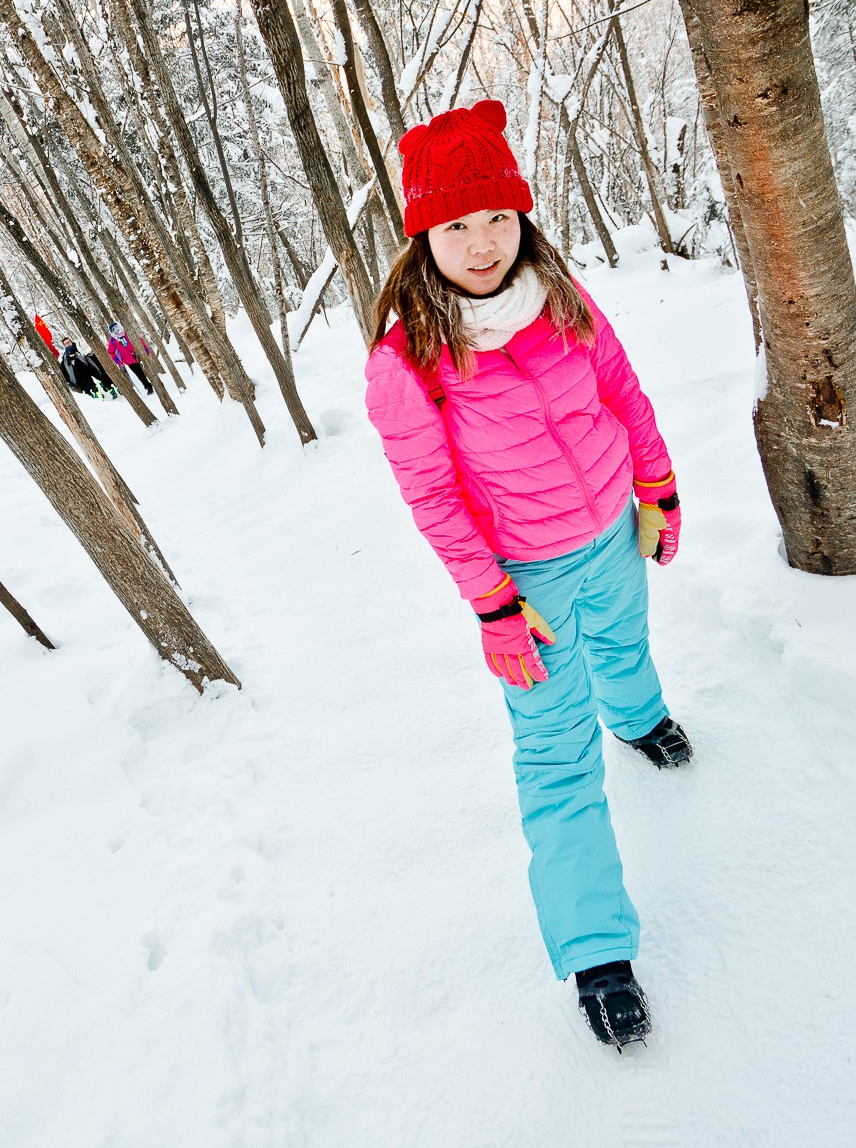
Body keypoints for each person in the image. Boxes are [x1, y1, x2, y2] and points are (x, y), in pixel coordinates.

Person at [363, 99, 688, 1051]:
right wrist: (494, 606)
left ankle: (642, 719)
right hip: (528, 585)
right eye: (457, 224)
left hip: (610, 535)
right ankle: (596, 951)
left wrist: (656, 486)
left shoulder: (560, 295)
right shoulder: (407, 360)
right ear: (424, 229)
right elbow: (432, 499)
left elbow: (622, 391)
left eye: (496, 216)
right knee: (554, 755)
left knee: (627, 643)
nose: (481, 242)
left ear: (521, 213)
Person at [106, 321, 154, 394]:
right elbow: (111, 352)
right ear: (112, 332)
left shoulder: (127, 333)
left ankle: (155, 381)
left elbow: (139, 340)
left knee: (148, 369)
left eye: (118, 329)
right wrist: (118, 361)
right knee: (140, 375)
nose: (117, 331)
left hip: (139, 355)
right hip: (129, 361)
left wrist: (146, 349)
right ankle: (148, 386)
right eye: (115, 331)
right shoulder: (113, 341)